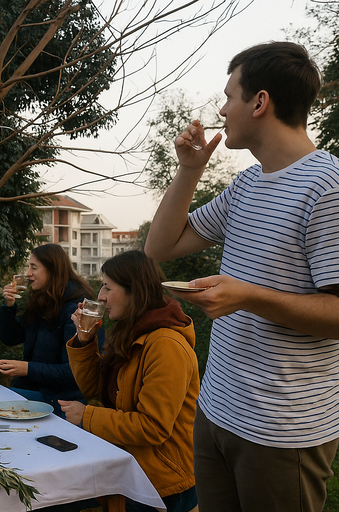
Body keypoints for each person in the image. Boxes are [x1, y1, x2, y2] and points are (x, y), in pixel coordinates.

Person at [144, 41, 339, 512]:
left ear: (259, 102)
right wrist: (188, 170)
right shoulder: (248, 185)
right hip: (217, 410)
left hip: (280, 431)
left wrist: (249, 295)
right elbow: (159, 248)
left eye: (229, 95)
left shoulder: (328, 187)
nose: (222, 109)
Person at [60, 250, 199, 512]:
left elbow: (152, 427)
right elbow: (93, 388)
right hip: (129, 467)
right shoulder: (131, 331)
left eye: (107, 287)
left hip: (162, 482)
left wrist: (87, 416)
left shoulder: (165, 345)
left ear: (134, 290)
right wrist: (84, 341)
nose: (100, 296)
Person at [0, 243, 92, 417]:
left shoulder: (76, 310)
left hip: (60, 400)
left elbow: (73, 372)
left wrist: (28, 369)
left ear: (52, 270)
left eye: (34, 267)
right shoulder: (43, 301)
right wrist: (9, 306)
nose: (27, 273)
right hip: (34, 391)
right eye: (28, 267)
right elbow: (10, 337)